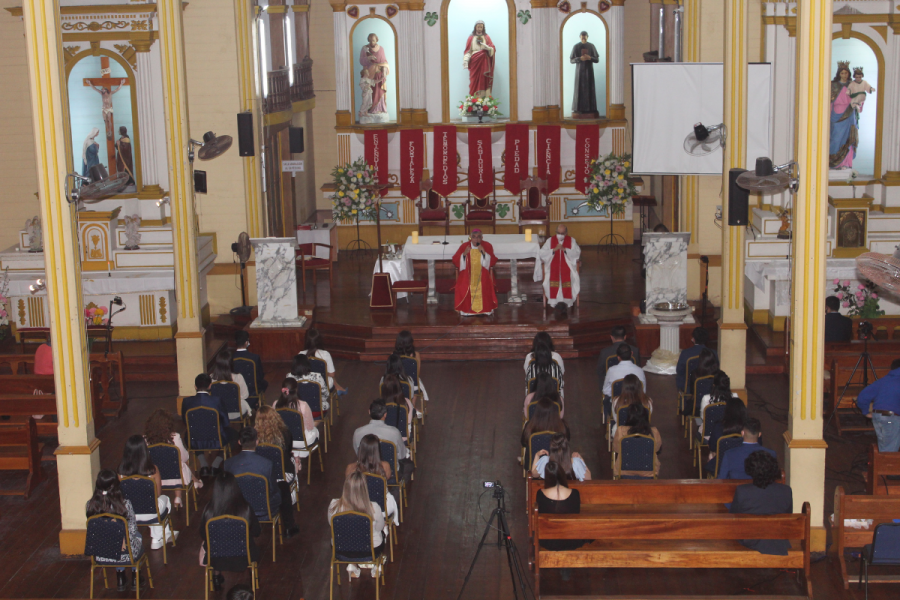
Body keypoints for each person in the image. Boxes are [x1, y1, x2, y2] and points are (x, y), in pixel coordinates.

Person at [224, 427, 299, 538]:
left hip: (239, 507)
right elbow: (273, 490)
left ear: (239, 442)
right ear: (257, 442)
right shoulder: (266, 464)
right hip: (264, 507)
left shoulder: (228, 464)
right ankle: (289, 527)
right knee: (283, 486)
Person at [199, 472, 261, 592]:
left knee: (215, 545)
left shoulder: (209, 510)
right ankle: (252, 576)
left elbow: (203, 534)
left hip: (215, 558)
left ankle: (216, 577)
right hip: (244, 556)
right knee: (250, 545)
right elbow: (256, 531)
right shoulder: (245, 508)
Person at [86, 469, 143, 592]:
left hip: (101, 555)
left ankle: (120, 577)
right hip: (126, 554)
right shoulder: (125, 504)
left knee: (111, 537)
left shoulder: (90, 505)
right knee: (137, 535)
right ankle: (135, 576)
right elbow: (132, 531)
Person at [117, 434, 177, 550]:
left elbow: (122, 495)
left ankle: (160, 535)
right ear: (144, 451)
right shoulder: (152, 470)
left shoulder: (121, 472)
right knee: (164, 500)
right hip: (151, 511)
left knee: (151, 503)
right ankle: (157, 537)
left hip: (130, 513)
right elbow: (158, 493)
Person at [729, 451, 794, 556]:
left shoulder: (742, 491)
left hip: (751, 538)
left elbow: (734, 515)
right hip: (778, 537)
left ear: (751, 470)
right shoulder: (786, 490)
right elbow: (788, 515)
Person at [328, 470, 386, 579]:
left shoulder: (333, 506)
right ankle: (375, 566)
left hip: (341, 550)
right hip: (370, 551)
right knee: (382, 533)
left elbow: (332, 526)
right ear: (365, 489)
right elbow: (380, 527)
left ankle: (352, 565)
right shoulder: (374, 507)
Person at [536, 461, 588, 575]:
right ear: (562, 474)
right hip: (571, 540)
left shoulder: (540, 494)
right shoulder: (574, 493)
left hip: (548, 541)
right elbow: (576, 514)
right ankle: (566, 567)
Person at [181, 373, 237, 476]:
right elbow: (225, 422)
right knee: (234, 434)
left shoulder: (186, 401)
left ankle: (203, 465)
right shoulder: (217, 400)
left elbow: (185, 422)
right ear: (210, 386)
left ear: (195, 386)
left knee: (190, 435)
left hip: (194, 439)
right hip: (217, 438)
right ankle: (216, 464)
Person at [144, 408, 202, 507]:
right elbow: (184, 458)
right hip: (177, 478)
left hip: (155, 478)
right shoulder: (175, 437)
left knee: (173, 463)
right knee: (179, 462)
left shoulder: (145, 439)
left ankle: (191, 485)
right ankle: (179, 496)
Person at [345, 433, 399, 527]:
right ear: (377, 450)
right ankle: (383, 525)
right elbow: (388, 478)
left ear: (360, 449)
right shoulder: (385, 466)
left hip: (358, 507)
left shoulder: (350, 468)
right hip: (382, 509)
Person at [352, 400, 415, 481]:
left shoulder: (357, 433)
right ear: (385, 414)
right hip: (390, 472)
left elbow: (358, 453)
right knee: (409, 465)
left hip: (364, 471)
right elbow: (401, 455)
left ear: (369, 412)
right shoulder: (394, 432)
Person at [856, 358, 900, 452]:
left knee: (884, 444)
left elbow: (862, 397)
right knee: (889, 450)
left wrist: (866, 412)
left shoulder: (882, 381)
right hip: (891, 418)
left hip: (878, 416)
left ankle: (880, 464)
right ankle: (886, 466)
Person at [452, 229, 498, 316]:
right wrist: (464, 254)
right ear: (470, 238)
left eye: (478, 237)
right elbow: (455, 260)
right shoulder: (464, 246)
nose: (476, 239)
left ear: (482, 238)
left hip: (483, 275)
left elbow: (492, 261)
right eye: (474, 237)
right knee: (463, 285)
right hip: (467, 275)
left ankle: (485, 310)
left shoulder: (487, 245)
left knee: (485, 284)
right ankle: (466, 310)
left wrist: (484, 252)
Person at [274, 377, 320, 458]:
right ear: (296, 390)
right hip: (301, 442)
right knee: (316, 431)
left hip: (283, 440)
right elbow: (310, 426)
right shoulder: (303, 405)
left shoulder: (275, 404)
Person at [613, 403, 662, 479]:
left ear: (629, 416)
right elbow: (657, 449)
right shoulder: (654, 431)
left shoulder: (620, 430)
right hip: (649, 473)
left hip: (624, 472)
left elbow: (616, 449)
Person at [540, 225, 581, 308]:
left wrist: (565, 250)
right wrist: (553, 250)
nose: (560, 235)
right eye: (558, 233)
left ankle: (567, 302)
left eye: (562, 233)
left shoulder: (571, 241)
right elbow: (542, 253)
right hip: (552, 268)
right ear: (556, 232)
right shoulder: (550, 241)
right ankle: (554, 302)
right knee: (549, 279)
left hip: (568, 268)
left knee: (570, 278)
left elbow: (577, 253)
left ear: (566, 233)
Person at [255, 404, 299, 484]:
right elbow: (288, 451)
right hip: (283, 474)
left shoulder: (254, 437)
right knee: (293, 459)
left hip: (263, 475)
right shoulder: (285, 432)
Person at [705, 396, 748, 475]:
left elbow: (712, 446)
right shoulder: (749, 429)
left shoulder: (718, 427)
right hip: (744, 465)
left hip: (722, 464)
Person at [301, 328, 346, 394]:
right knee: (330, 377)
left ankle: (338, 387)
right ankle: (338, 388)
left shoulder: (301, 354)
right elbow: (332, 374)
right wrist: (322, 372)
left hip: (306, 385)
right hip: (322, 385)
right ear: (319, 340)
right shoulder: (325, 354)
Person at [210, 349, 252, 421]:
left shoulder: (211, 378)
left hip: (219, 412)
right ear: (231, 363)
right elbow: (245, 395)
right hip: (237, 412)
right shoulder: (238, 377)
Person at [830, 61, 858, 169]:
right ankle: (833, 161)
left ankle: (845, 162)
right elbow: (829, 101)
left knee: (848, 138)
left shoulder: (853, 85)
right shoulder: (833, 85)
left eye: (846, 73)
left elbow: (859, 98)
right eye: (842, 73)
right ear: (839, 74)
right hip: (836, 115)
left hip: (850, 113)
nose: (844, 75)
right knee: (835, 138)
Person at [696, 370, 739, 436]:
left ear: (713, 385)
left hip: (709, 434)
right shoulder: (735, 397)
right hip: (729, 434)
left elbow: (703, 418)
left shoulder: (706, 398)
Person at [610, 373, 653, 438]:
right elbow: (648, 419)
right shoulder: (648, 401)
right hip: (643, 433)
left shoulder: (616, 401)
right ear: (639, 386)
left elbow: (616, 419)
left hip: (622, 434)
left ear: (623, 387)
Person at [358, 33, 390, 118]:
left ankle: (380, 108)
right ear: (368, 40)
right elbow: (361, 60)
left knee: (379, 90)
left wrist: (384, 69)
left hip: (379, 73)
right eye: (370, 40)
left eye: (374, 40)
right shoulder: (365, 49)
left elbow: (384, 61)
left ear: (376, 40)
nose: (372, 42)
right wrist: (368, 59)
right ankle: (370, 109)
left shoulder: (381, 49)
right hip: (370, 73)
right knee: (370, 92)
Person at [395, 330, 430, 405]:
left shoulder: (393, 355)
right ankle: (412, 406)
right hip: (412, 385)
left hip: (397, 384)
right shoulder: (416, 355)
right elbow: (417, 372)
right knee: (415, 381)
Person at [569, 31, 600, 117]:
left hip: (589, 71)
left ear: (587, 37)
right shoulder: (576, 46)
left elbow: (597, 59)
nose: (583, 39)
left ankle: (591, 108)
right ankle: (578, 109)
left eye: (585, 37)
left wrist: (590, 57)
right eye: (582, 37)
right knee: (579, 89)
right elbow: (571, 60)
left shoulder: (591, 46)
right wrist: (579, 58)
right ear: (580, 37)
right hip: (579, 72)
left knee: (590, 89)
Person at [462, 21, 495, 98]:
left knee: (483, 80)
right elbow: (467, 50)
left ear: (483, 28)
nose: (479, 28)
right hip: (474, 62)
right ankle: (473, 98)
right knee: (474, 81)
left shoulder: (487, 37)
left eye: (481, 27)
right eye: (478, 27)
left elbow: (492, 48)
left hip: (484, 63)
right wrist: (466, 60)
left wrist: (488, 48)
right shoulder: (471, 38)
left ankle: (484, 98)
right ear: (475, 27)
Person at [676, 327, 714, 393]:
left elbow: (679, 370)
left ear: (693, 339)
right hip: (708, 385)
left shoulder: (685, 353)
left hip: (689, 386)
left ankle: (684, 402)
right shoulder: (713, 353)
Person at [234, 329, 267, 398]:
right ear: (246, 342)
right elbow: (260, 376)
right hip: (252, 389)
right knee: (265, 383)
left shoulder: (230, 358)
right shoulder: (255, 357)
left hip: (236, 389)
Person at [381, 373, 415, 440]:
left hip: (385, 438)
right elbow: (409, 421)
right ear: (399, 387)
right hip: (403, 438)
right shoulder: (406, 402)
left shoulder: (381, 405)